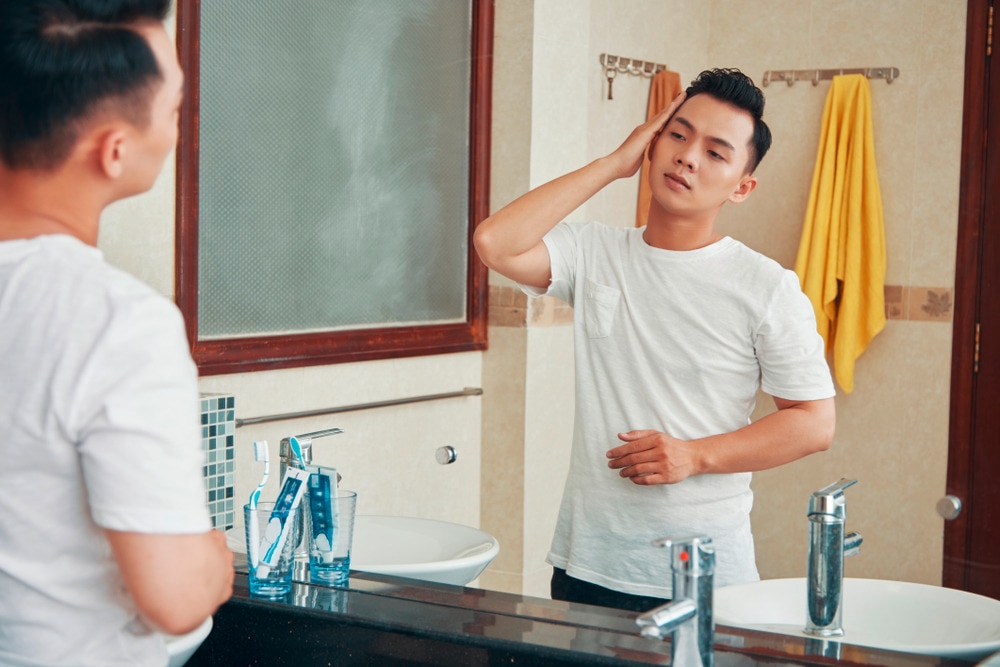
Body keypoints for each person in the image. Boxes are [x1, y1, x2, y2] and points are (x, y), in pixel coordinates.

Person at [474, 68, 836, 612]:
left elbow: (814, 422)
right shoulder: (593, 252)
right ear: (653, 142)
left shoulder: (765, 286)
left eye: (716, 153)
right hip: (588, 565)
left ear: (742, 186)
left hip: (705, 574)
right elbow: (494, 242)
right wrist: (611, 165)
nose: (689, 156)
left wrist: (695, 456)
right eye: (678, 134)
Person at [0, 1, 234, 665]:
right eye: (177, 109)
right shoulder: (119, 324)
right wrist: (211, 565)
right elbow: (176, 598)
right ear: (115, 149)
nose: (181, 128)